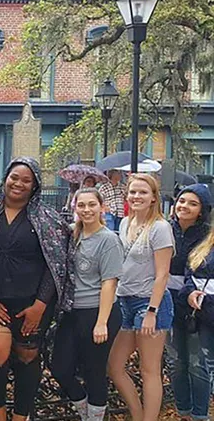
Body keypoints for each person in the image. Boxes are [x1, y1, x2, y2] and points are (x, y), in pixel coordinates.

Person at [0, 158, 69, 421]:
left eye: (27, 180)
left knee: (28, 357)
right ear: (5, 178)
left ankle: (20, 415)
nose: (19, 184)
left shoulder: (48, 219)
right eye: (15, 177)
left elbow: (55, 263)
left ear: (35, 185)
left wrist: (40, 305)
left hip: (33, 303)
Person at [50, 188, 123, 421]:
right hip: (71, 311)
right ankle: (84, 411)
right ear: (75, 208)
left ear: (102, 207)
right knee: (60, 368)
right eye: (81, 205)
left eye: (92, 205)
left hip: (99, 311)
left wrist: (101, 322)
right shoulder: (71, 234)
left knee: (94, 371)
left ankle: (95, 417)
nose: (87, 210)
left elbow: (109, 283)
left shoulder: (109, 240)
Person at [108, 174, 174, 421]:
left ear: (153, 197)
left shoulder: (160, 228)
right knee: (115, 366)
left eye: (143, 192)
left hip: (150, 302)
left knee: (149, 370)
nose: (136, 197)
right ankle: (137, 414)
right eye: (133, 192)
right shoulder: (125, 223)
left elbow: (162, 274)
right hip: (125, 300)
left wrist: (152, 311)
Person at [167, 183, 212, 420]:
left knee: (197, 364)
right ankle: (183, 410)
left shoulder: (208, 236)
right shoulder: (164, 229)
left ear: (202, 211)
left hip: (197, 309)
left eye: (192, 203)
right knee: (175, 361)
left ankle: (200, 414)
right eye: (182, 201)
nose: (184, 206)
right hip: (168, 304)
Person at [183, 203, 214, 420]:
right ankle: (199, 415)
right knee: (202, 366)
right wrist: (189, 292)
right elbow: (189, 275)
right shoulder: (205, 246)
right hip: (203, 315)